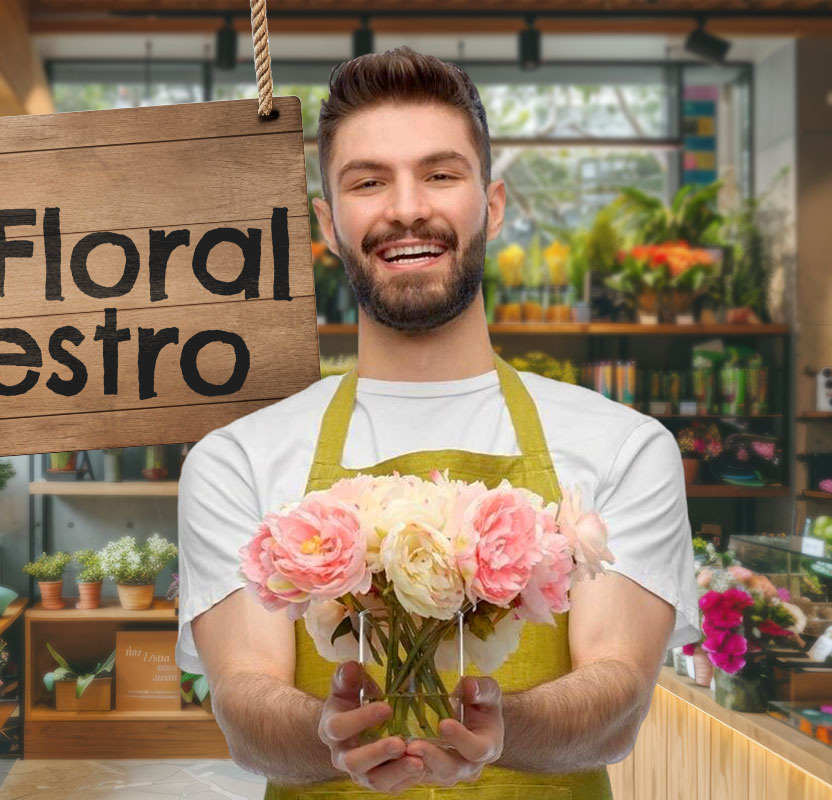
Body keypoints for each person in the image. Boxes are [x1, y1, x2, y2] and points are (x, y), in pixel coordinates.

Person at [176, 47, 698, 799]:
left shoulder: (623, 446)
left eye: (441, 174)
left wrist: (502, 730)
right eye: (367, 181)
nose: (407, 207)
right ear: (327, 222)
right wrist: (328, 736)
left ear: (492, 205)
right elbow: (244, 706)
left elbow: (617, 700)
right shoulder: (239, 458)